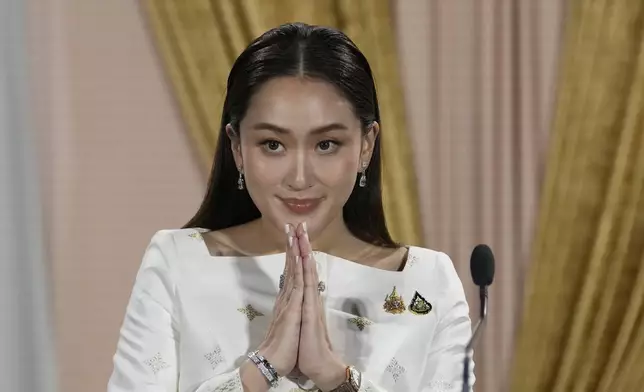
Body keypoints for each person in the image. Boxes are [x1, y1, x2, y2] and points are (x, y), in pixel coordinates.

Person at [107, 22, 474, 392]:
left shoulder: (427, 283)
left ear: (366, 145)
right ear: (237, 147)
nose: (299, 178)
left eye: (327, 144)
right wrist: (262, 368)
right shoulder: (177, 264)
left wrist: (335, 378)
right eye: (272, 145)